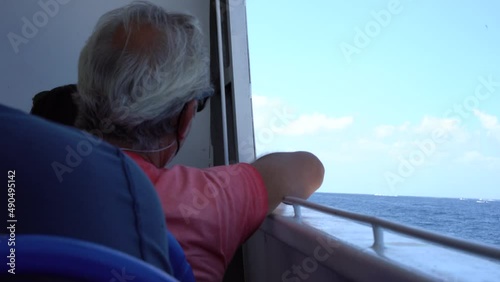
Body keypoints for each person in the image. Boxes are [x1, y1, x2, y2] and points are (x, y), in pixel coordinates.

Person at [35, 2, 325, 281]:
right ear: (185, 117)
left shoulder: (22, 174)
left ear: (83, 91)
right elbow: (309, 168)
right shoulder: (205, 201)